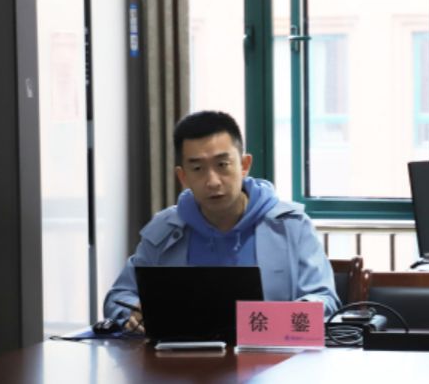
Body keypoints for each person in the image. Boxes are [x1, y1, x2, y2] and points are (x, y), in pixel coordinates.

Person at [104, 110, 340, 332]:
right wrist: (133, 313)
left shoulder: (291, 226)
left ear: (244, 165)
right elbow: (118, 297)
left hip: (272, 357)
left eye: (222, 165)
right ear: (183, 177)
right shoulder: (165, 230)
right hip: (180, 359)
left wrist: (289, 316)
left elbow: (325, 299)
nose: (213, 181)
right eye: (198, 168)